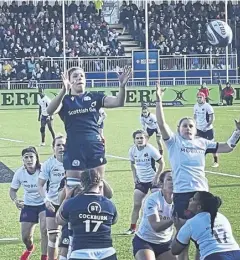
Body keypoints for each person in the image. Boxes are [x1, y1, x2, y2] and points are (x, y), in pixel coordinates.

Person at [155, 82, 240, 260]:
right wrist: (158, 101)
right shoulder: (173, 142)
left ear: (196, 130)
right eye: (184, 126)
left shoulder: (202, 143)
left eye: (191, 126)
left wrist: (238, 131)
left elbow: (227, 147)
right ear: (179, 129)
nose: (188, 128)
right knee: (183, 237)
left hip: (202, 193)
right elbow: (162, 124)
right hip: (182, 194)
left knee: (203, 235)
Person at [46, 66, 132, 194]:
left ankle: (99, 210)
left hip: (94, 147)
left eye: (81, 75)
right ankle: (68, 213)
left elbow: (118, 102)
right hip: (74, 148)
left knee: (97, 187)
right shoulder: (65, 101)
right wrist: (64, 90)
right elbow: (49, 111)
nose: (79, 78)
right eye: (75, 76)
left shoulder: (94, 97)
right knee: (73, 190)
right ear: (69, 81)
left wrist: (122, 86)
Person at [56, 169, 118, 260]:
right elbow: (114, 221)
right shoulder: (109, 204)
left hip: (81, 253)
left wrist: (66, 198)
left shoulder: (72, 203)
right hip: (107, 252)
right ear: (100, 183)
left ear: (81, 183)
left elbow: (59, 220)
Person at [171, 191, 240, 260]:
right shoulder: (222, 217)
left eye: (193, 199)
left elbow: (175, 250)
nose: (190, 199)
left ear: (199, 207)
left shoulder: (191, 223)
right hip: (238, 254)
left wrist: (179, 229)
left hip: (215, 256)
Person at [9, 146, 48, 260]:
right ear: (23, 160)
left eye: (31, 157)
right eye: (26, 157)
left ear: (36, 158)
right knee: (25, 237)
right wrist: (16, 200)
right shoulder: (20, 173)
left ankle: (44, 257)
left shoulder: (44, 169)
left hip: (44, 203)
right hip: (29, 205)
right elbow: (12, 190)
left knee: (44, 230)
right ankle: (30, 248)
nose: (29, 160)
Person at [125, 130, 164, 235]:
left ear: (146, 139)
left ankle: (159, 227)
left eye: (141, 138)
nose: (139, 140)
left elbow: (162, 163)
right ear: (134, 140)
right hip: (141, 181)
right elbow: (132, 164)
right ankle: (132, 228)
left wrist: (157, 177)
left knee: (157, 205)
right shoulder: (132, 150)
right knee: (137, 204)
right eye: (137, 138)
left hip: (153, 181)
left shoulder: (151, 149)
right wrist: (134, 177)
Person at [132, 170, 176, 260]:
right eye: (169, 179)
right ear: (161, 184)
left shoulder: (179, 201)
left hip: (166, 243)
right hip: (145, 241)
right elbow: (155, 227)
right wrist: (173, 218)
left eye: (176, 179)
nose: (173, 182)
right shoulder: (153, 199)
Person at [38, 135, 66, 260]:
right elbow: (40, 184)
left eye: (63, 145)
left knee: (69, 236)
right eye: (58, 145)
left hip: (68, 204)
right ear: (53, 147)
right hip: (53, 204)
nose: (61, 147)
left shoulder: (73, 162)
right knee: (53, 236)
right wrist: (46, 200)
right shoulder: (49, 164)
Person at [194, 92, 219, 167]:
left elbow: (212, 118)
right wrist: (194, 125)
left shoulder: (208, 106)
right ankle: (201, 161)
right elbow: (195, 116)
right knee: (200, 145)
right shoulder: (195, 106)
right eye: (198, 97)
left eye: (200, 97)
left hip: (208, 130)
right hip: (199, 129)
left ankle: (216, 161)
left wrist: (207, 126)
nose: (199, 99)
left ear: (204, 98)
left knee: (212, 145)